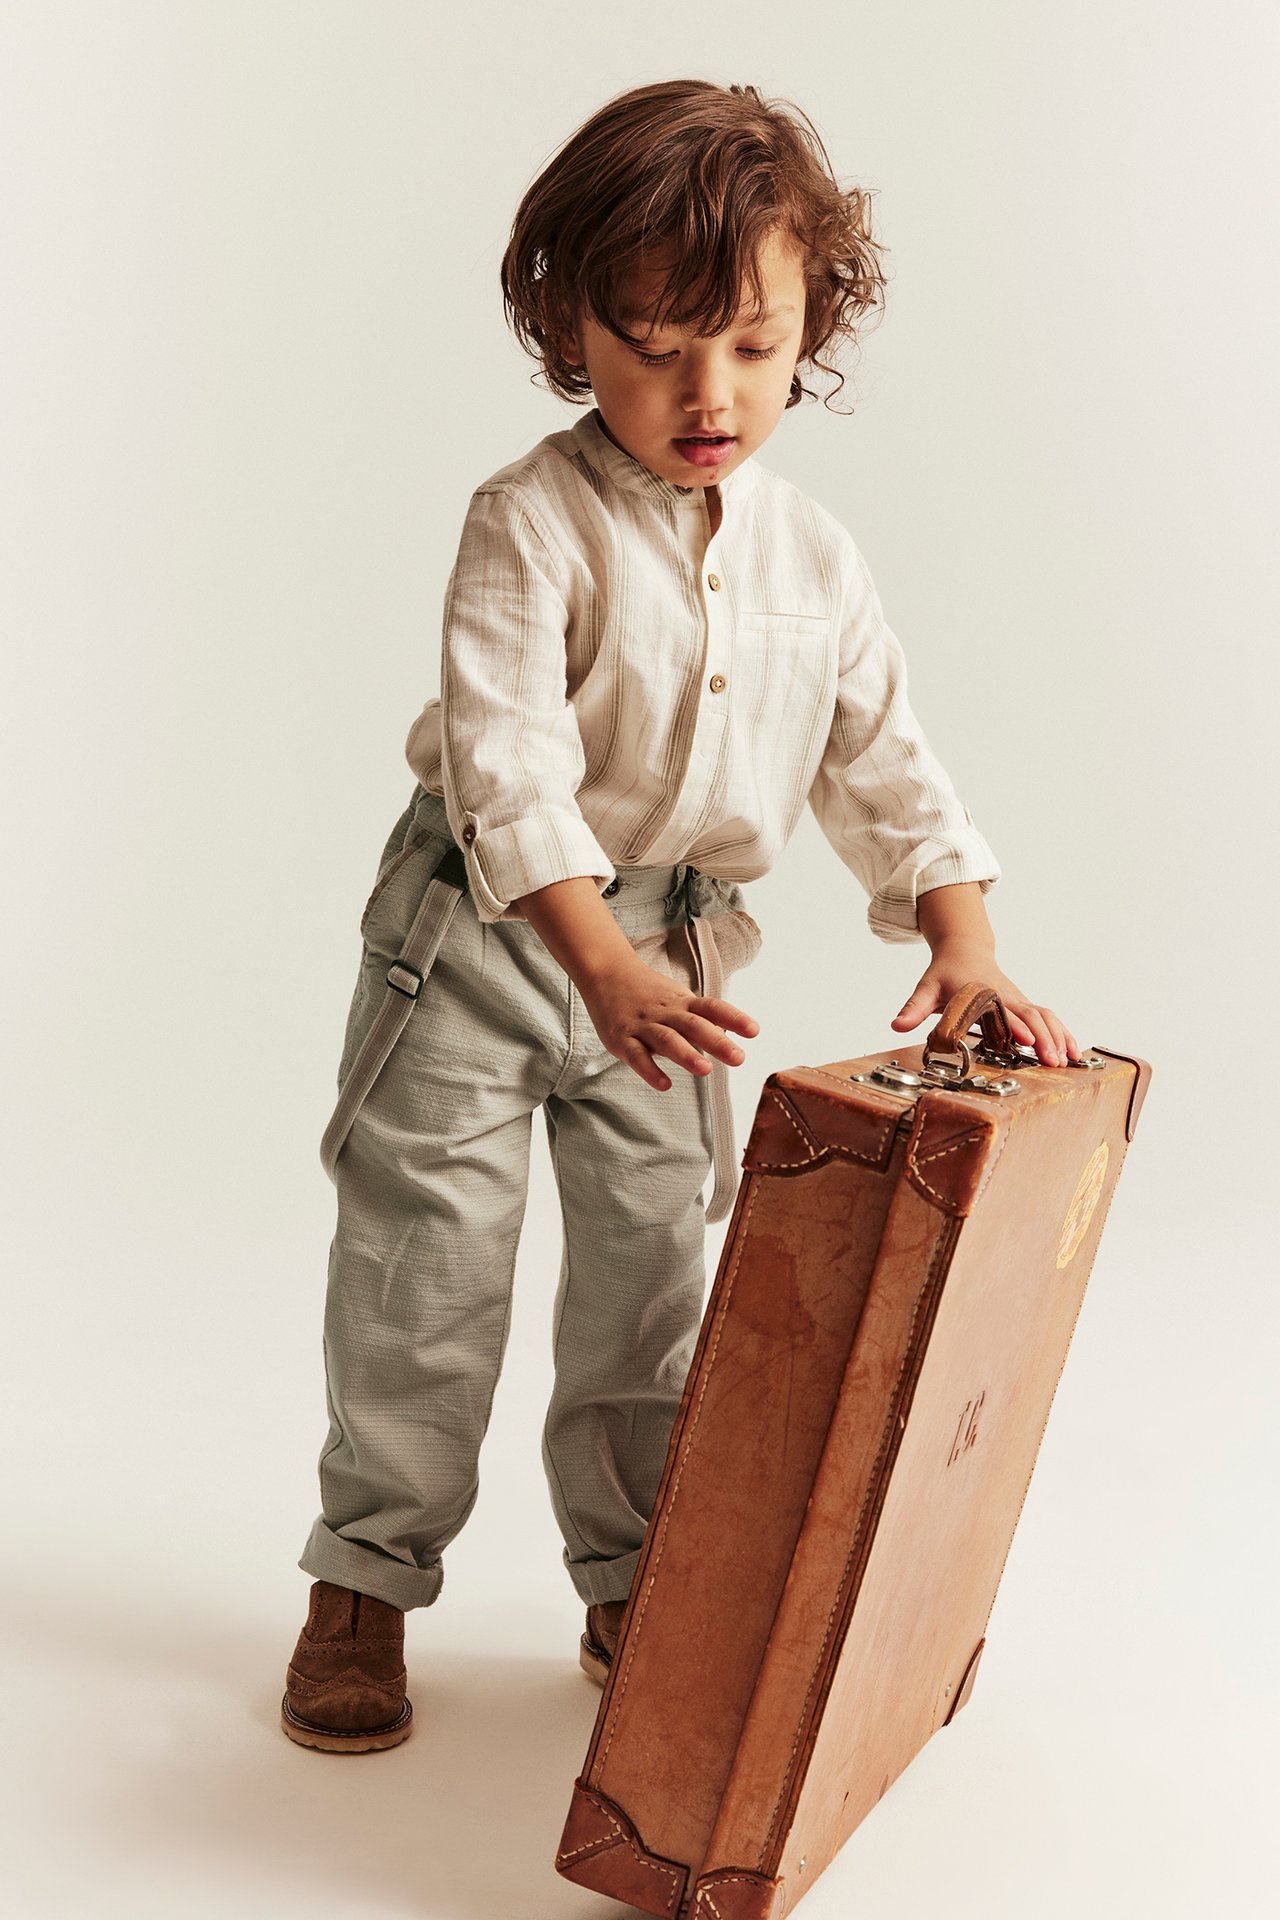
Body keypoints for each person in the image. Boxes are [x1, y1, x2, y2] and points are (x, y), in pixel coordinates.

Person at [281, 78, 1080, 1753]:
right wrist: (598, 963)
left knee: (655, 1286)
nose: (705, 393)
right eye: (651, 346)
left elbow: (884, 758)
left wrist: (964, 934)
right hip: (490, 941)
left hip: (683, 962)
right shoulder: (527, 519)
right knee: (425, 1274)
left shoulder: (818, 559)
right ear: (571, 329)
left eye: (750, 346)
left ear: (814, 330)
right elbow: (503, 769)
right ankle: (365, 1580)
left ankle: (635, 1579)